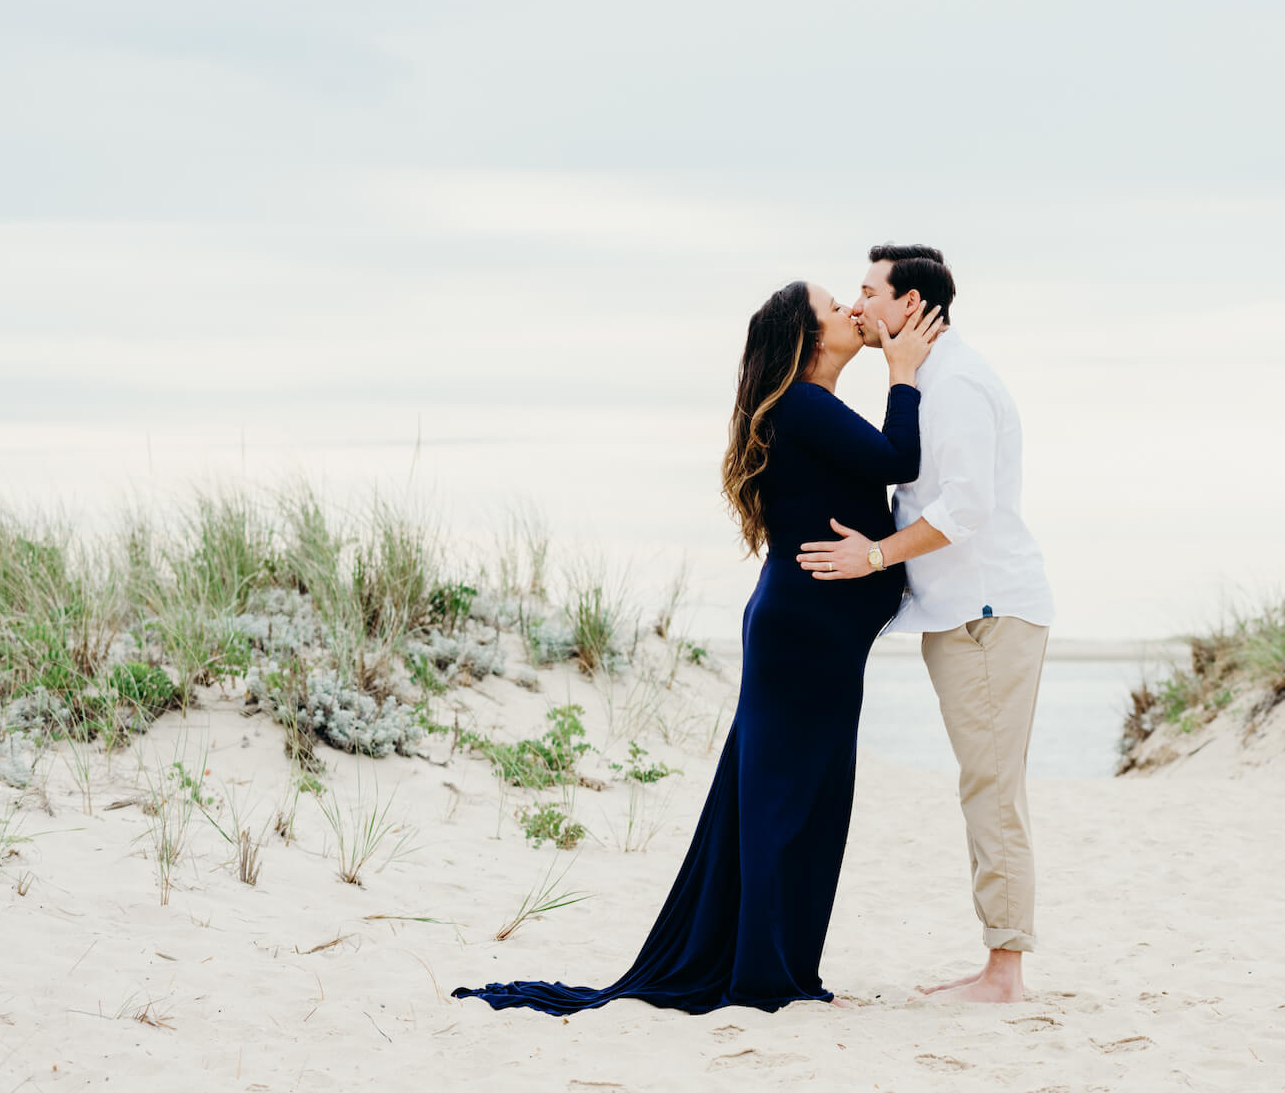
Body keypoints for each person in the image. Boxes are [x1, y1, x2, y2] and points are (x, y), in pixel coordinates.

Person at [450, 280, 942, 1016]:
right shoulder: (803, 404)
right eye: (835, 307)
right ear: (808, 340)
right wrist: (904, 372)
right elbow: (898, 458)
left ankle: (785, 971)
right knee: (783, 804)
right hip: (803, 635)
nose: (850, 312)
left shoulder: (812, 409)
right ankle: (768, 980)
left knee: (809, 802)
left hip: (815, 635)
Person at [796, 243, 1054, 1004]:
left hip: (988, 613)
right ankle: (998, 964)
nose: (859, 304)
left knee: (991, 788)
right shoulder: (925, 380)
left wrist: (874, 557)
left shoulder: (958, 384)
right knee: (986, 784)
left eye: (870, 290)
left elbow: (965, 507)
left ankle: (1003, 973)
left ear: (909, 304)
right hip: (964, 615)